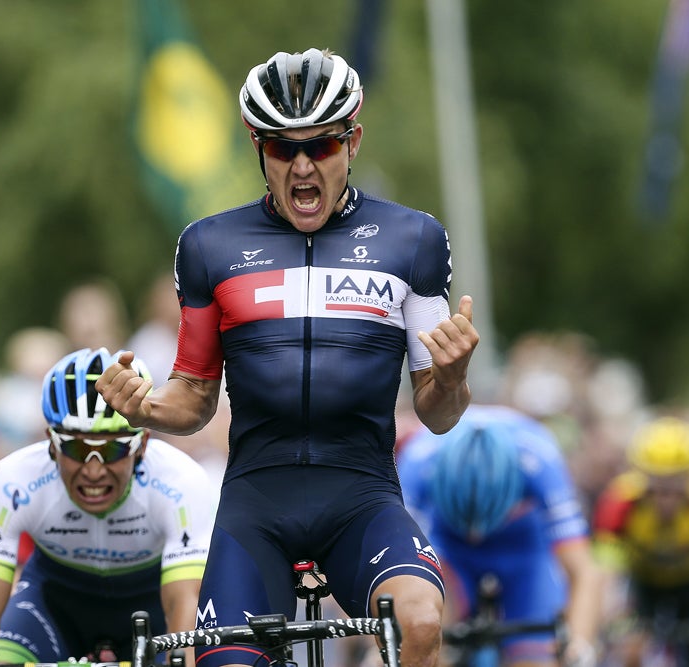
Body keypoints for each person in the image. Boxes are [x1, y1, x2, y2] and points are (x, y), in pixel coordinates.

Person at [97, 47, 478, 667]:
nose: (303, 165)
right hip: (257, 503)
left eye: (321, 146)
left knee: (419, 621)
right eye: (282, 148)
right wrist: (141, 408)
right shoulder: (209, 245)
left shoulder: (413, 240)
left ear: (352, 143)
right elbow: (193, 400)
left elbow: (436, 412)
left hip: (362, 496)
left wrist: (454, 376)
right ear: (258, 148)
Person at [0, 347, 216, 666]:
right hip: (51, 608)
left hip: (152, 612)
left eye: (114, 449)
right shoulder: (14, 480)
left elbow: (184, 604)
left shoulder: (179, 480)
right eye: (76, 448)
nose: (93, 471)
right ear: (51, 444)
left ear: (142, 445)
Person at [397, 404, 601, 667]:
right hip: (449, 548)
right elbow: (394, 568)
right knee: (426, 642)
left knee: (534, 660)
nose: (475, 536)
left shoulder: (541, 458)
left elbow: (585, 572)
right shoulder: (417, 459)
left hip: (522, 549)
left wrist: (580, 644)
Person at [592, 416, 689, 667]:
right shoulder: (619, 501)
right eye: (658, 486)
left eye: (676, 486)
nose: (667, 497)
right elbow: (605, 574)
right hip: (643, 582)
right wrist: (612, 621)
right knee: (630, 650)